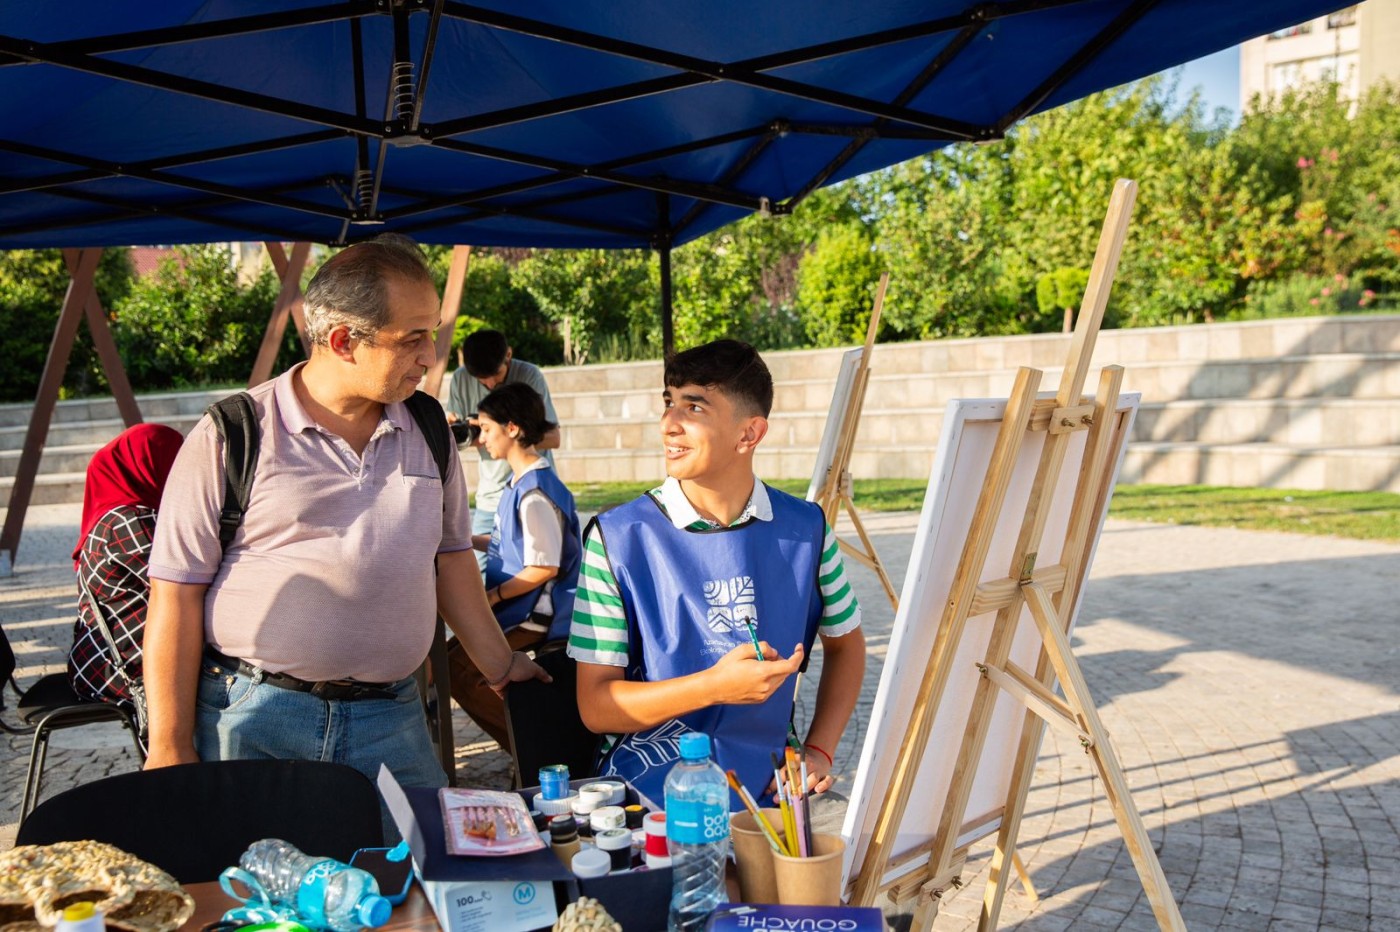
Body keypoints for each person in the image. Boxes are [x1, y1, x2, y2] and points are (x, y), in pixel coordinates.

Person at [141, 235, 548, 798]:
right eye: (413, 338)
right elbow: (175, 594)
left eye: (430, 334)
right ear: (342, 342)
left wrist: (501, 667)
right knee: (257, 885)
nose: (430, 356)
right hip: (254, 719)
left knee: (420, 878)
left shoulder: (428, 429)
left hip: (394, 720)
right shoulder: (232, 434)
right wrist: (168, 745)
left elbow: (452, 560)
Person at [567, 339, 866, 807]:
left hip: (773, 786)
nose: (669, 423)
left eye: (694, 406)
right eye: (669, 401)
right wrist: (714, 687)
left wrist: (821, 752)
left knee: (845, 863)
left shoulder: (807, 529)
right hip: (651, 788)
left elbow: (847, 645)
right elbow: (596, 706)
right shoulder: (617, 538)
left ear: (749, 434)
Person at [447, 381, 581, 753]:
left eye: (488, 429)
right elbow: (516, 546)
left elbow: (543, 567)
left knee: (462, 670)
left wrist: (491, 597)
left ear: (513, 429)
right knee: (455, 660)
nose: (482, 438)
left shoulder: (535, 491)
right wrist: (465, 541)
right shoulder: (521, 482)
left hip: (538, 612)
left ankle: (535, 748)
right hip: (523, 606)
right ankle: (529, 742)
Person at [68, 423, 185, 713]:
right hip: (116, 671)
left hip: (99, 659)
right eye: (176, 458)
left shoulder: (114, 514)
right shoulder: (128, 521)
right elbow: (187, 584)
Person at [446, 329, 560, 541]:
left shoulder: (529, 375)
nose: (490, 385)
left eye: (496, 375)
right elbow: (465, 439)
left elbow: (554, 438)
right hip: (490, 499)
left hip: (533, 488)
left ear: (508, 354)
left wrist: (502, 434)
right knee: (476, 570)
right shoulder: (460, 379)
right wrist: (453, 430)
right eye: (481, 380)